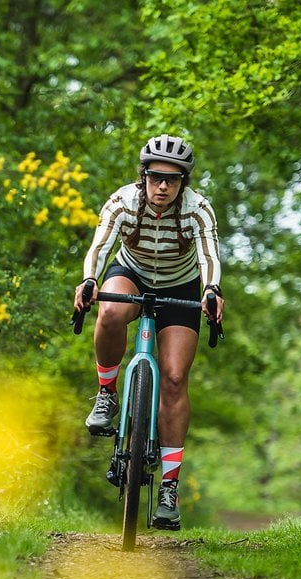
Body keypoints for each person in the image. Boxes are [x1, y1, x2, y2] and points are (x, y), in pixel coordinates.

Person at [72, 134, 224, 531]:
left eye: (172, 180)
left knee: (174, 377)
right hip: (132, 274)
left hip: (181, 284)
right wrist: (89, 279)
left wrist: (212, 290)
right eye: (155, 178)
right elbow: (100, 246)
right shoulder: (124, 202)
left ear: (183, 183)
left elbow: (209, 255)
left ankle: (169, 490)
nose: (163, 186)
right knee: (108, 312)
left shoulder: (198, 210)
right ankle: (107, 394)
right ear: (143, 177)